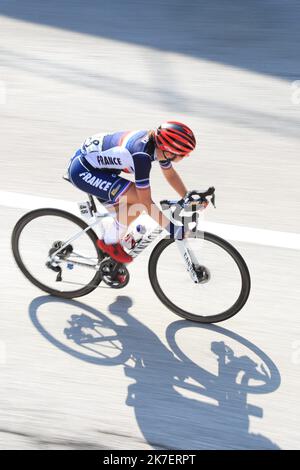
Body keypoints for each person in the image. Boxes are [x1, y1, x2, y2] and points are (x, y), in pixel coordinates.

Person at [68, 121, 196, 263]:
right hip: (83, 171)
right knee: (139, 200)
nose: (186, 156)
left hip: (100, 167)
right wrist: (173, 229)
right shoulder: (141, 156)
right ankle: (109, 244)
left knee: (130, 210)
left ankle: (110, 258)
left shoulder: (157, 146)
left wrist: (187, 196)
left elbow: (170, 174)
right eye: (183, 154)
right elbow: (146, 202)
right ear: (168, 151)